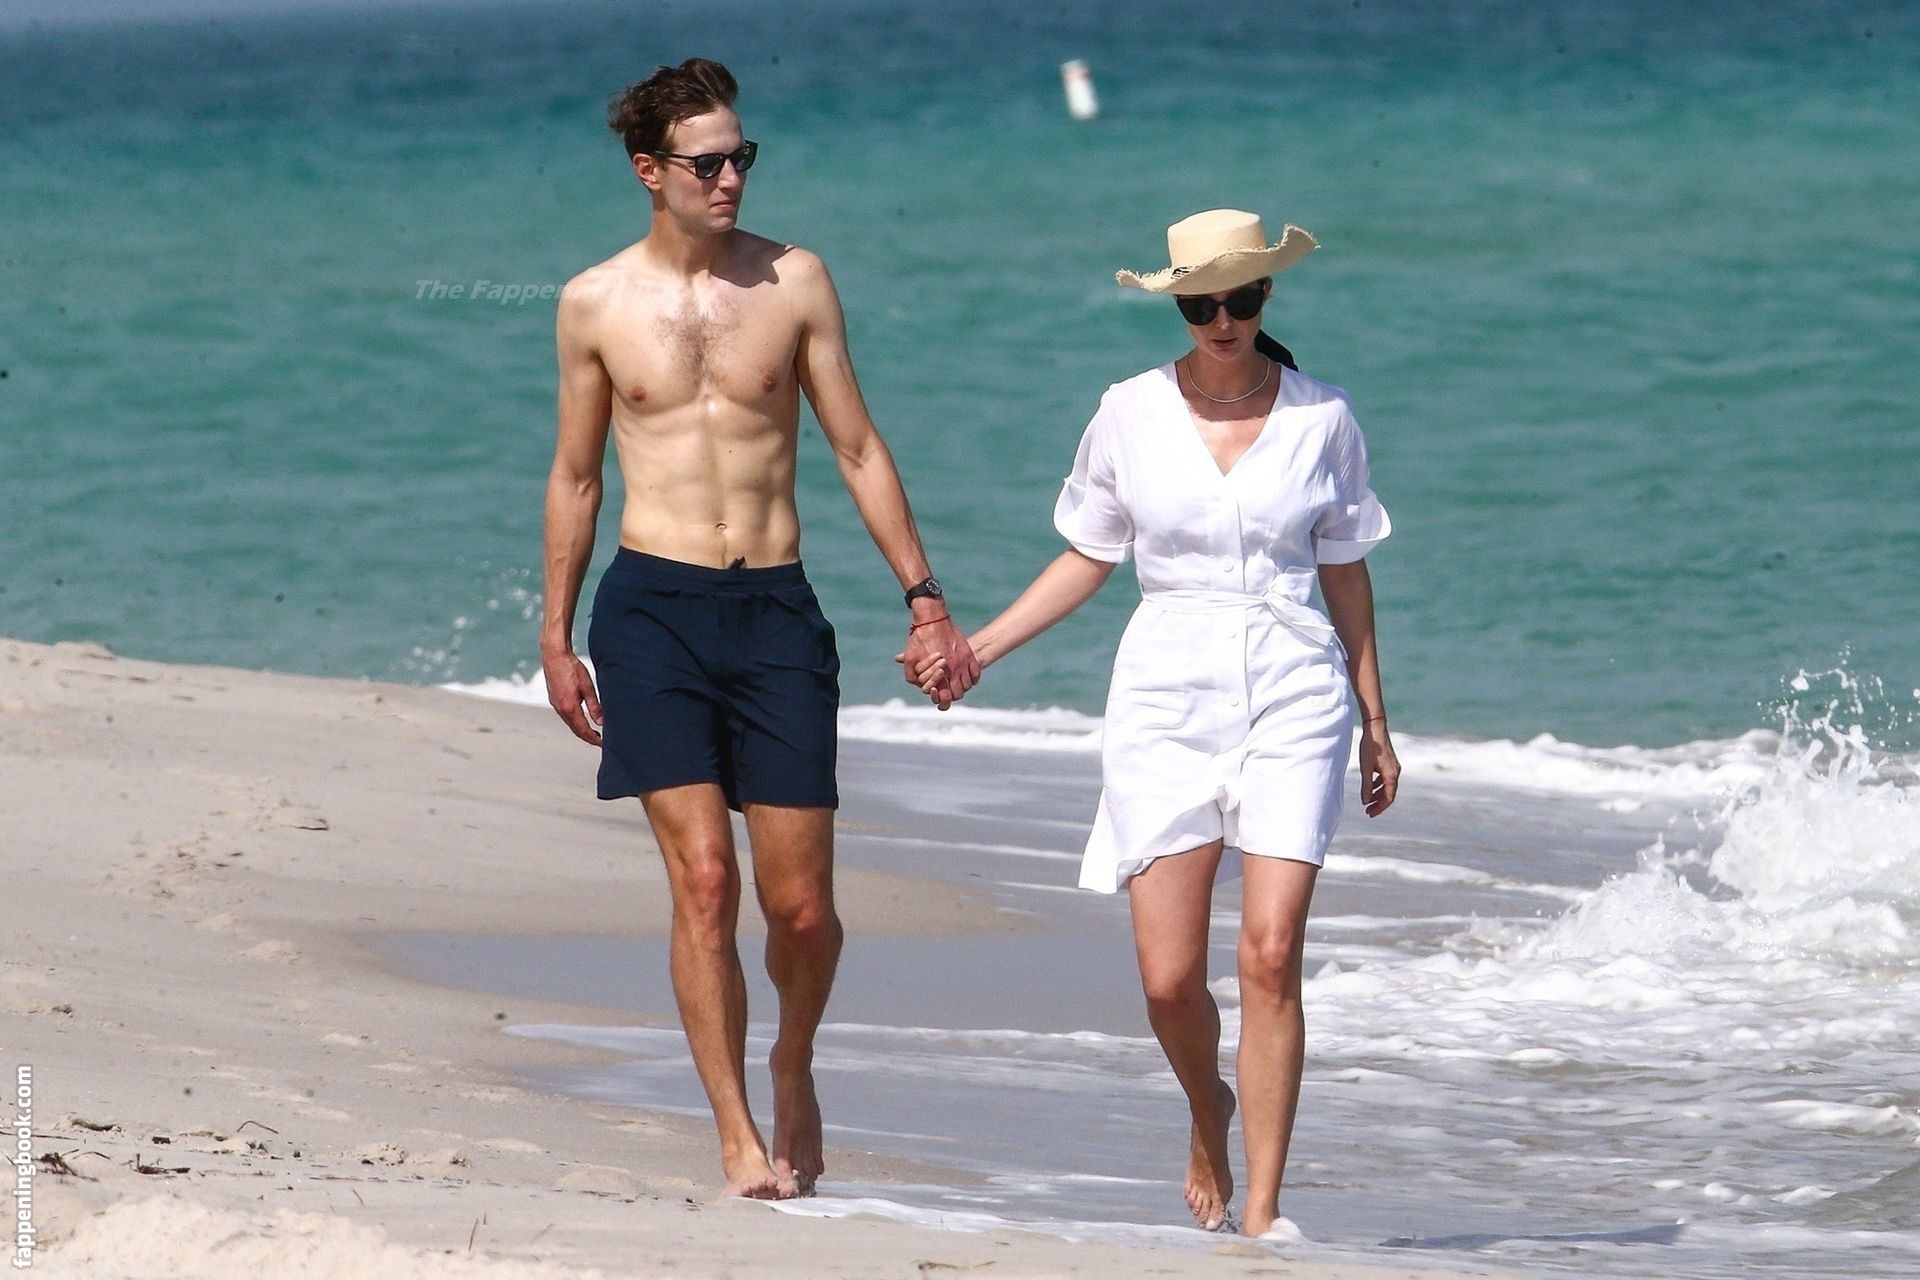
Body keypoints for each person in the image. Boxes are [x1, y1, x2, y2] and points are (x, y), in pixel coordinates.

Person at [908, 209, 1399, 1236]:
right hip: (1165, 690)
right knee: (1170, 980)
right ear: (1178, 306)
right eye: (1200, 304)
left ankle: (1264, 1213)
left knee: (1270, 954)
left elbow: (1345, 571)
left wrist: (1374, 718)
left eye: (1242, 299)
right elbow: (1088, 556)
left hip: (1295, 685)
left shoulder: (1324, 416)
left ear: (1267, 296)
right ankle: (1208, 1107)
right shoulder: (1128, 412)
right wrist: (975, 650)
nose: (1223, 321)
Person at [540, 57, 979, 1201]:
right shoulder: (594, 303)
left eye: (743, 156)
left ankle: (793, 1058)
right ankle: (736, 1132)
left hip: (775, 607)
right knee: (703, 882)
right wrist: (556, 632)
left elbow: (858, 447)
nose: (731, 177)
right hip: (652, 611)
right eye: (708, 163)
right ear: (650, 171)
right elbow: (577, 476)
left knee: (803, 910)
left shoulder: (795, 281)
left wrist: (925, 595)